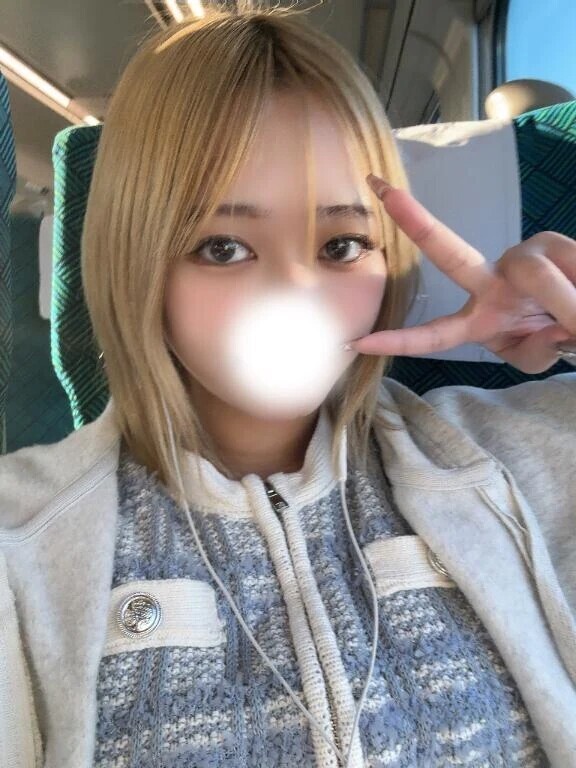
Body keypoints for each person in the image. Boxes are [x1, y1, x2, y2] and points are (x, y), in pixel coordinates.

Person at [1, 4, 575, 767]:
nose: (295, 294)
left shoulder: (515, 459)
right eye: (223, 246)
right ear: (137, 260)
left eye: (341, 244)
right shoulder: (21, 537)